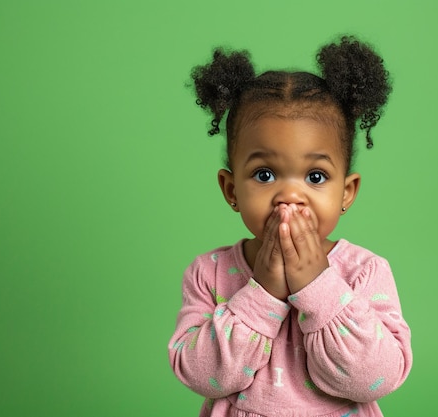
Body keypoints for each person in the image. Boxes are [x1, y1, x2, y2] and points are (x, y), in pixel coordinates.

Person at [168, 36, 412, 417]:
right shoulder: (209, 274)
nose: (289, 196)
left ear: (346, 192)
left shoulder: (364, 272)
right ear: (231, 189)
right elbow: (201, 376)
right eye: (264, 174)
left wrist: (320, 288)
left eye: (315, 176)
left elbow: (376, 377)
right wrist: (261, 293)